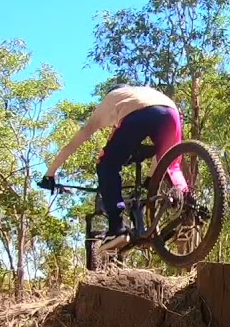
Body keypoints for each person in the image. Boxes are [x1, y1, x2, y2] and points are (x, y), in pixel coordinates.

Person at [41, 84, 187, 252]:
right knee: (172, 164)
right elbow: (162, 159)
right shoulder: (140, 92)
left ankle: (116, 228)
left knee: (106, 164)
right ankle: (188, 211)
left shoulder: (110, 99)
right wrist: (150, 180)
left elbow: (73, 144)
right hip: (171, 112)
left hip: (140, 115)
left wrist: (50, 174)